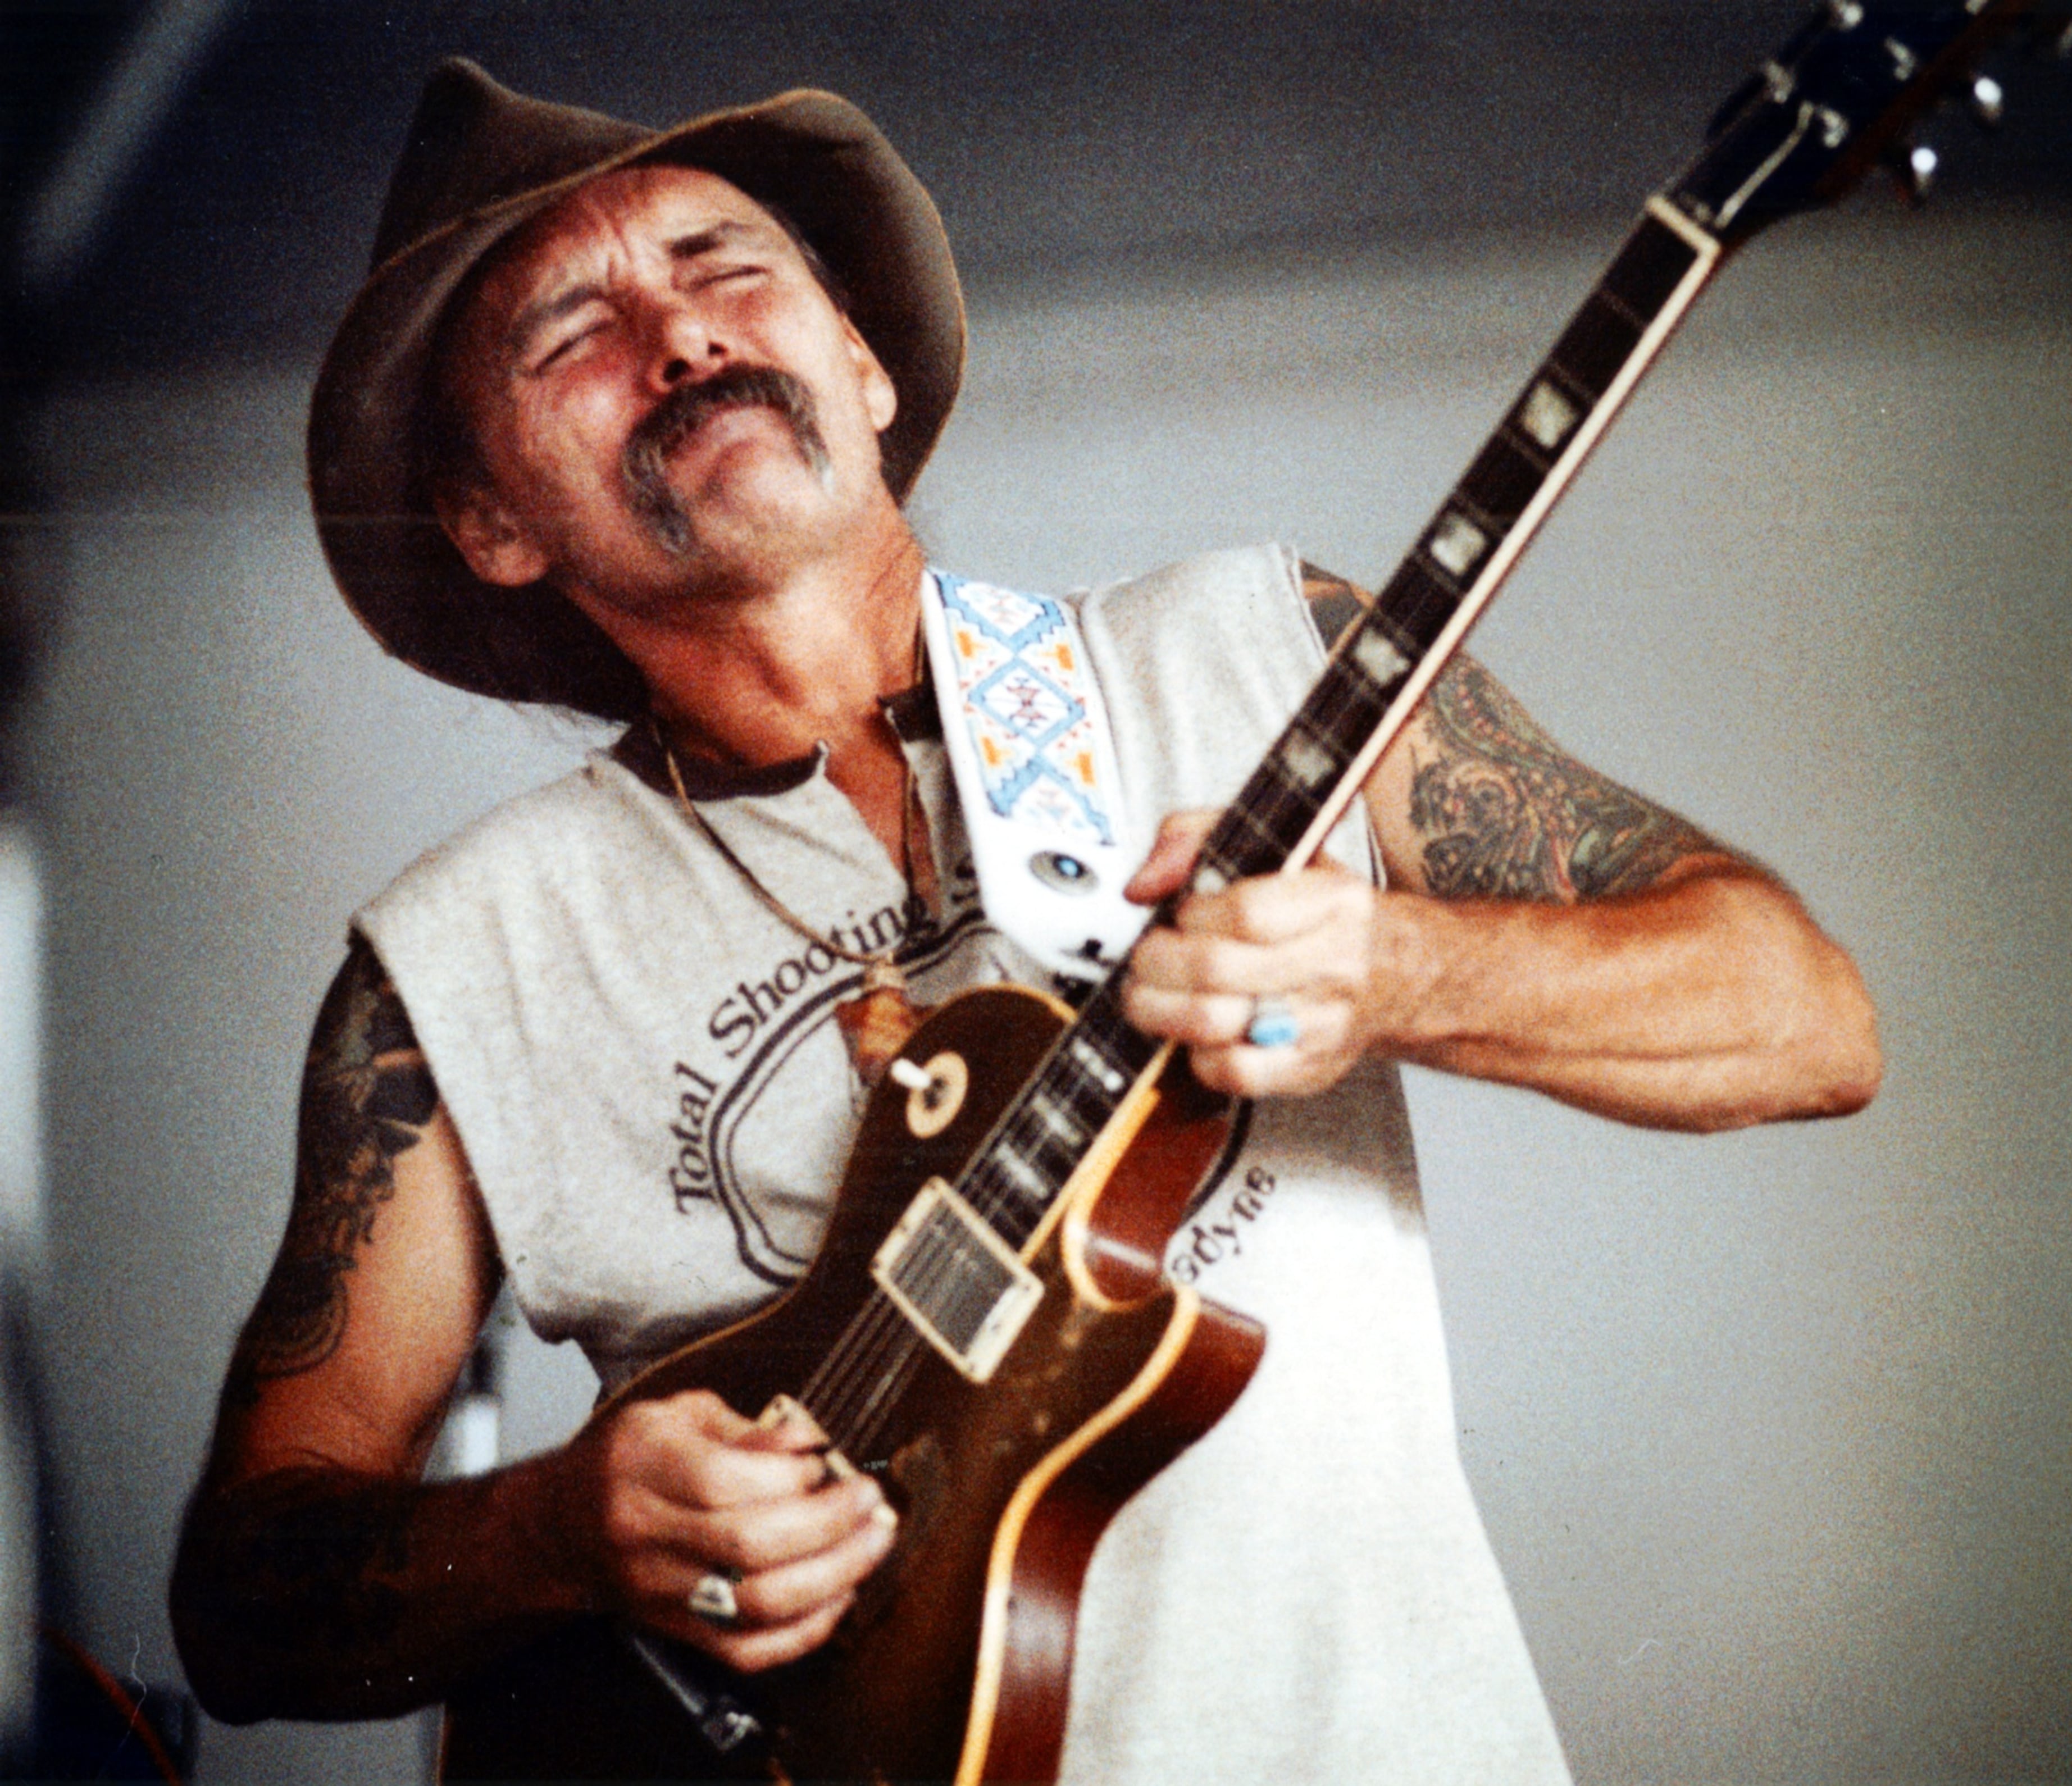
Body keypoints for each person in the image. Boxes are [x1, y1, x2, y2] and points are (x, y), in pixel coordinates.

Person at [168, 59, 1881, 1783]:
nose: (680, 336)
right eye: (573, 335)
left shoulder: (1268, 656)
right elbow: (239, 1599)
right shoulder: (463, 962)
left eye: (725, 264)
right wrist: (555, 1528)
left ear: (864, 363)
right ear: (488, 520)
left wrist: (1400, 967)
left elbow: (1804, 1016)